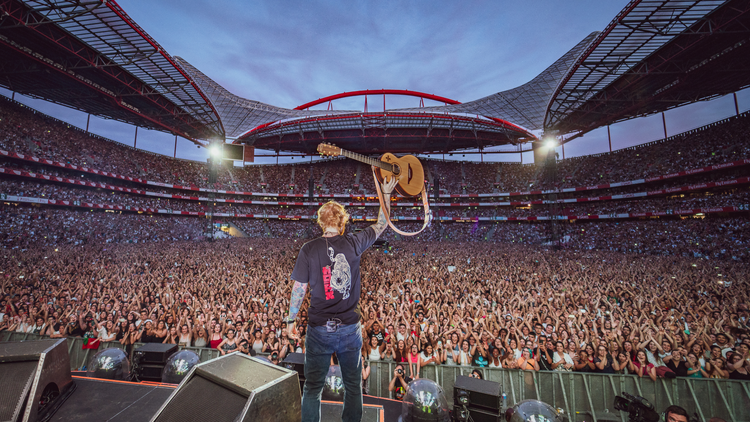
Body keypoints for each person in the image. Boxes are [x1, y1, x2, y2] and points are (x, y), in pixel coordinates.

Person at [285, 175, 397, 422]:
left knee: (312, 389)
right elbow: (381, 224)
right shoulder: (354, 242)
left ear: (320, 222)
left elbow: (299, 289)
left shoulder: (309, 249)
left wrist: (291, 320)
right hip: (348, 328)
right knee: (353, 386)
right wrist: (386, 193)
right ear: (343, 222)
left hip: (318, 329)